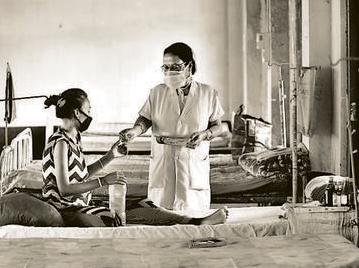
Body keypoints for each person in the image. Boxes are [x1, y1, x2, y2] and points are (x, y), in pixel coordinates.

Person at [40, 88, 227, 227]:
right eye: (88, 109)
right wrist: (103, 181)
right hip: (67, 209)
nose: (90, 114)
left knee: (143, 203)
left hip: (81, 204)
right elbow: (65, 189)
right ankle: (196, 223)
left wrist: (110, 156)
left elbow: (81, 175)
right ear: (77, 113)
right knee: (115, 217)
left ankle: (195, 221)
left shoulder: (74, 138)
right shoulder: (61, 142)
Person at [120, 42, 228, 211]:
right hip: (164, 164)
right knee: (162, 220)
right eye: (166, 67)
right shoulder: (157, 92)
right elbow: (145, 119)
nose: (170, 72)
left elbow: (218, 126)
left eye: (176, 67)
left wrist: (205, 134)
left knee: (194, 221)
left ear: (189, 66)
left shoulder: (207, 93)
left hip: (193, 166)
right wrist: (135, 130)